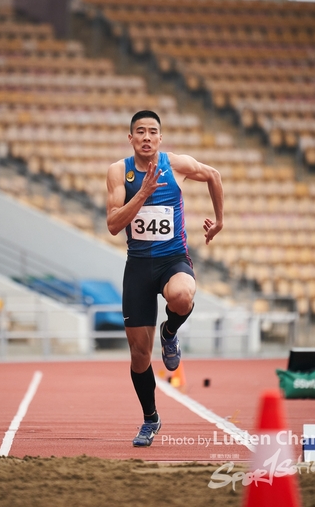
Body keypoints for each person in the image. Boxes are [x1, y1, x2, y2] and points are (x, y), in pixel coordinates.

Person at [106, 110, 224, 447]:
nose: (146, 137)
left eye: (152, 132)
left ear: (160, 137)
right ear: (131, 138)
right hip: (139, 267)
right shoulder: (119, 172)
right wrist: (141, 194)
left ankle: (169, 332)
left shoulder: (177, 165)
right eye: (139, 132)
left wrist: (219, 221)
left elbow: (213, 175)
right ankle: (150, 419)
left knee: (184, 295)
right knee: (139, 355)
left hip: (173, 260)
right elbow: (114, 225)